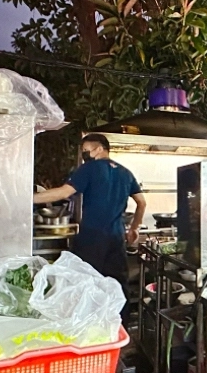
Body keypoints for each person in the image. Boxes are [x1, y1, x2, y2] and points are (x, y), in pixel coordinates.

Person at [34, 134, 145, 318]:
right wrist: (134, 227)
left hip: (91, 236)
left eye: (86, 150)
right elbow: (142, 202)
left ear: (99, 148)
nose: (85, 154)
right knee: (117, 285)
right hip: (116, 238)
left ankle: (89, 327)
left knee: (86, 283)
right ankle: (119, 327)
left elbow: (63, 192)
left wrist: (28, 198)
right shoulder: (126, 173)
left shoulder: (90, 168)